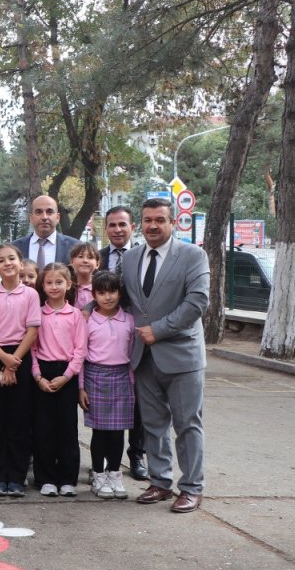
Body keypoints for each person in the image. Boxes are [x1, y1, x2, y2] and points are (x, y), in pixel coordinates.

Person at [123, 198, 209, 514]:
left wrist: (157, 330)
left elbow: (197, 303)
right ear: (140, 224)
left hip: (182, 356)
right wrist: (87, 310)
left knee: (187, 424)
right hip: (144, 358)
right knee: (153, 425)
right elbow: (119, 296)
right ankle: (160, 482)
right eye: (147, 220)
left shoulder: (193, 255)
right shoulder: (131, 258)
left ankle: (191, 488)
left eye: (160, 219)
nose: (153, 226)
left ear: (172, 222)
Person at [0, 243, 40, 498]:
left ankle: (16, 475)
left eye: (12, 258)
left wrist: (14, 360)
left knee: (18, 418)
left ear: (21, 263)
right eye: (1, 260)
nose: (7, 263)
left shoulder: (30, 295)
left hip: (21, 355)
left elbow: (33, 329)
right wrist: (3, 358)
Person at [98, 205, 148, 481]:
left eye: (122, 225)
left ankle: (137, 454)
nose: (117, 230)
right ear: (105, 229)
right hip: (105, 337)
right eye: (112, 225)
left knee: (137, 398)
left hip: (137, 333)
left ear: (132, 227)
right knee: (107, 401)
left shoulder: (142, 256)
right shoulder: (97, 257)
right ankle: (106, 456)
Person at [30, 262, 86, 497]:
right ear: (42, 285)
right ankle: (45, 478)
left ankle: (67, 479)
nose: (54, 287)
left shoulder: (74, 315)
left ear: (69, 284)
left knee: (67, 428)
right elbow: (31, 348)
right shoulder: (37, 314)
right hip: (43, 374)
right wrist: (38, 376)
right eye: (49, 282)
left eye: (59, 282)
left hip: (66, 375)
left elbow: (80, 350)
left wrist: (67, 376)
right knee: (43, 429)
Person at [79, 270, 135, 500]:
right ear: (94, 296)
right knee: (100, 432)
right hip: (95, 377)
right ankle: (99, 474)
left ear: (120, 293)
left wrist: (133, 384)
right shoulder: (88, 321)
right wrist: (81, 387)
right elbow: (81, 355)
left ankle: (115, 474)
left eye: (112, 291)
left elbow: (133, 354)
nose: (108, 297)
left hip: (121, 377)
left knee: (117, 433)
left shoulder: (130, 320)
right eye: (101, 293)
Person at [13, 196, 81, 269]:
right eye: (38, 212)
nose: (44, 217)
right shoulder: (15, 248)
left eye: (49, 212)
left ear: (58, 217)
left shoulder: (75, 247)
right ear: (31, 218)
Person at [71, 243, 101, 308]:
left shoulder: (101, 286)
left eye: (90, 257)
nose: (85, 261)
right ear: (71, 261)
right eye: (80, 256)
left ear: (97, 264)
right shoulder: (66, 287)